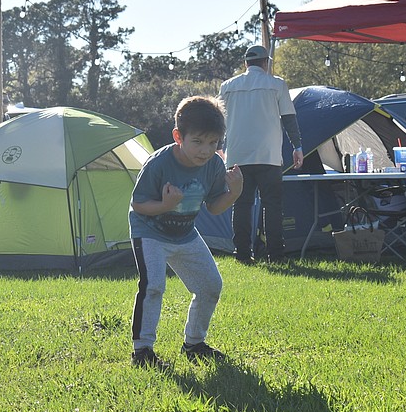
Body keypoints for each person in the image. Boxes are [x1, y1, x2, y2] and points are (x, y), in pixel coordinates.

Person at [129, 96, 243, 368]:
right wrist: (165, 205)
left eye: (213, 143)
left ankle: (194, 344)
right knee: (154, 286)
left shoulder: (214, 164)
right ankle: (142, 352)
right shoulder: (158, 164)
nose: (206, 150)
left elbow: (215, 207)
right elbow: (138, 204)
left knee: (210, 285)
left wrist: (235, 193)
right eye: (198, 142)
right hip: (149, 230)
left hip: (184, 233)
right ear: (178, 136)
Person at [219, 44, 303, 263]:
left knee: (241, 204)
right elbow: (289, 118)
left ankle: (243, 254)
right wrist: (298, 147)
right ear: (266, 63)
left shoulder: (227, 86)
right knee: (272, 205)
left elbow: (218, 121)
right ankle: (275, 255)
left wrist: (217, 147)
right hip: (268, 155)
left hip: (237, 155)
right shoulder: (276, 84)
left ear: (246, 63)